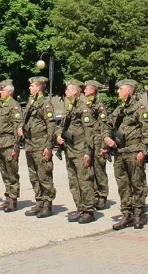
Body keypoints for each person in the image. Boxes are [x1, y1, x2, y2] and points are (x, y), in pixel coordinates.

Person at [103, 78, 148, 230]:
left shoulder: (139, 108)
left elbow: (147, 131)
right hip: (119, 153)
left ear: (129, 91)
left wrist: (143, 150)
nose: (117, 92)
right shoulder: (119, 110)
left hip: (134, 151)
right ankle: (126, 214)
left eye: (120, 89)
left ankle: (138, 214)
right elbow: (107, 126)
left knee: (137, 184)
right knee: (123, 185)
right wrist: (106, 138)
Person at [58, 80, 98, 223]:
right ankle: (80, 208)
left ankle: (89, 210)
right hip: (70, 150)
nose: (66, 92)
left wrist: (88, 152)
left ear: (75, 92)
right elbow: (61, 126)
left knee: (84, 180)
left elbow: (89, 131)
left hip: (81, 150)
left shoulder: (83, 108)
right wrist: (58, 136)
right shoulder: (69, 108)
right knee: (73, 182)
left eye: (68, 90)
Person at [20, 76, 56, 218]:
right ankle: (39, 201)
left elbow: (51, 126)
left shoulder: (45, 104)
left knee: (44, 175)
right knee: (34, 176)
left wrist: (48, 146)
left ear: (38, 88)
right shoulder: (31, 103)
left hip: (41, 144)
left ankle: (48, 204)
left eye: (32, 86)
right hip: (30, 144)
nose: (29, 88)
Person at [0, 80, 22, 212]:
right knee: (4, 173)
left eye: (2, 90)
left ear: (10, 92)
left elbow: (18, 127)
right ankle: (8, 198)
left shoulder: (14, 106)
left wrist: (16, 147)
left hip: (9, 142)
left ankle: (13, 200)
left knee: (12, 173)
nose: (0, 92)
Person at [83, 80, 109, 209]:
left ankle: (102, 196)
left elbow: (104, 125)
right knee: (89, 169)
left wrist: (104, 145)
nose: (84, 91)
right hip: (88, 141)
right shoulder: (86, 105)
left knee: (99, 169)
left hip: (98, 140)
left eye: (86, 89)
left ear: (92, 90)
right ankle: (93, 195)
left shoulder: (100, 105)